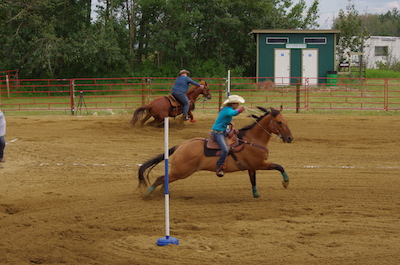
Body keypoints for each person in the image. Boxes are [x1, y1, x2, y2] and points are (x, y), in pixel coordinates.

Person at [211, 95, 245, 177]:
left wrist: (228, 123)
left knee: (235, 136)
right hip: (218, 132)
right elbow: (233, 113)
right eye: (237, 104)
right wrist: (240, 110)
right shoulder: (228, 110)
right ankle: (219, 166)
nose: (238, 105)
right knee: (225, 150)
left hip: (222, 129)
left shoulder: (226, 109)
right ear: (232, 104)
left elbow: (223, 119)